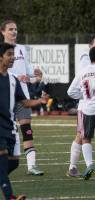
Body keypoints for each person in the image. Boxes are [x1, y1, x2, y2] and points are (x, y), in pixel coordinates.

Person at [0, 42, 48, 200]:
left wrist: (39, 101)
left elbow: (24, 102)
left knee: (13, 163)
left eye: (13, 54)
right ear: (0, 57)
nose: (13, 57)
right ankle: (10, 197)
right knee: (1, 160)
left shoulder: (13, 79)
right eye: (9, 54)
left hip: (10, 127)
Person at [1, 20, 44, 175]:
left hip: (22, 96)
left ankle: (31, 166)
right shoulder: (1, 50)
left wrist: (35, 74)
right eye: (10, 29)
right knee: (6, 130)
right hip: (5, 96)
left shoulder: (21, 49)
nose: (14, 32)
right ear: (2, 32)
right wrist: (15, 76)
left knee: (26, 128)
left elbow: (28, 70)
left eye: (16, 29)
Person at [67, 35, 95, 177]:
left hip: (88, 103)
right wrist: (86, 94)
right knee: (84, 136)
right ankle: (73, 166)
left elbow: (75, 88)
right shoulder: (86, 59)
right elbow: (87, 82)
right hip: (88, 104)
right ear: (90, 46)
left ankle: (78, 166)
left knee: (85, 136)